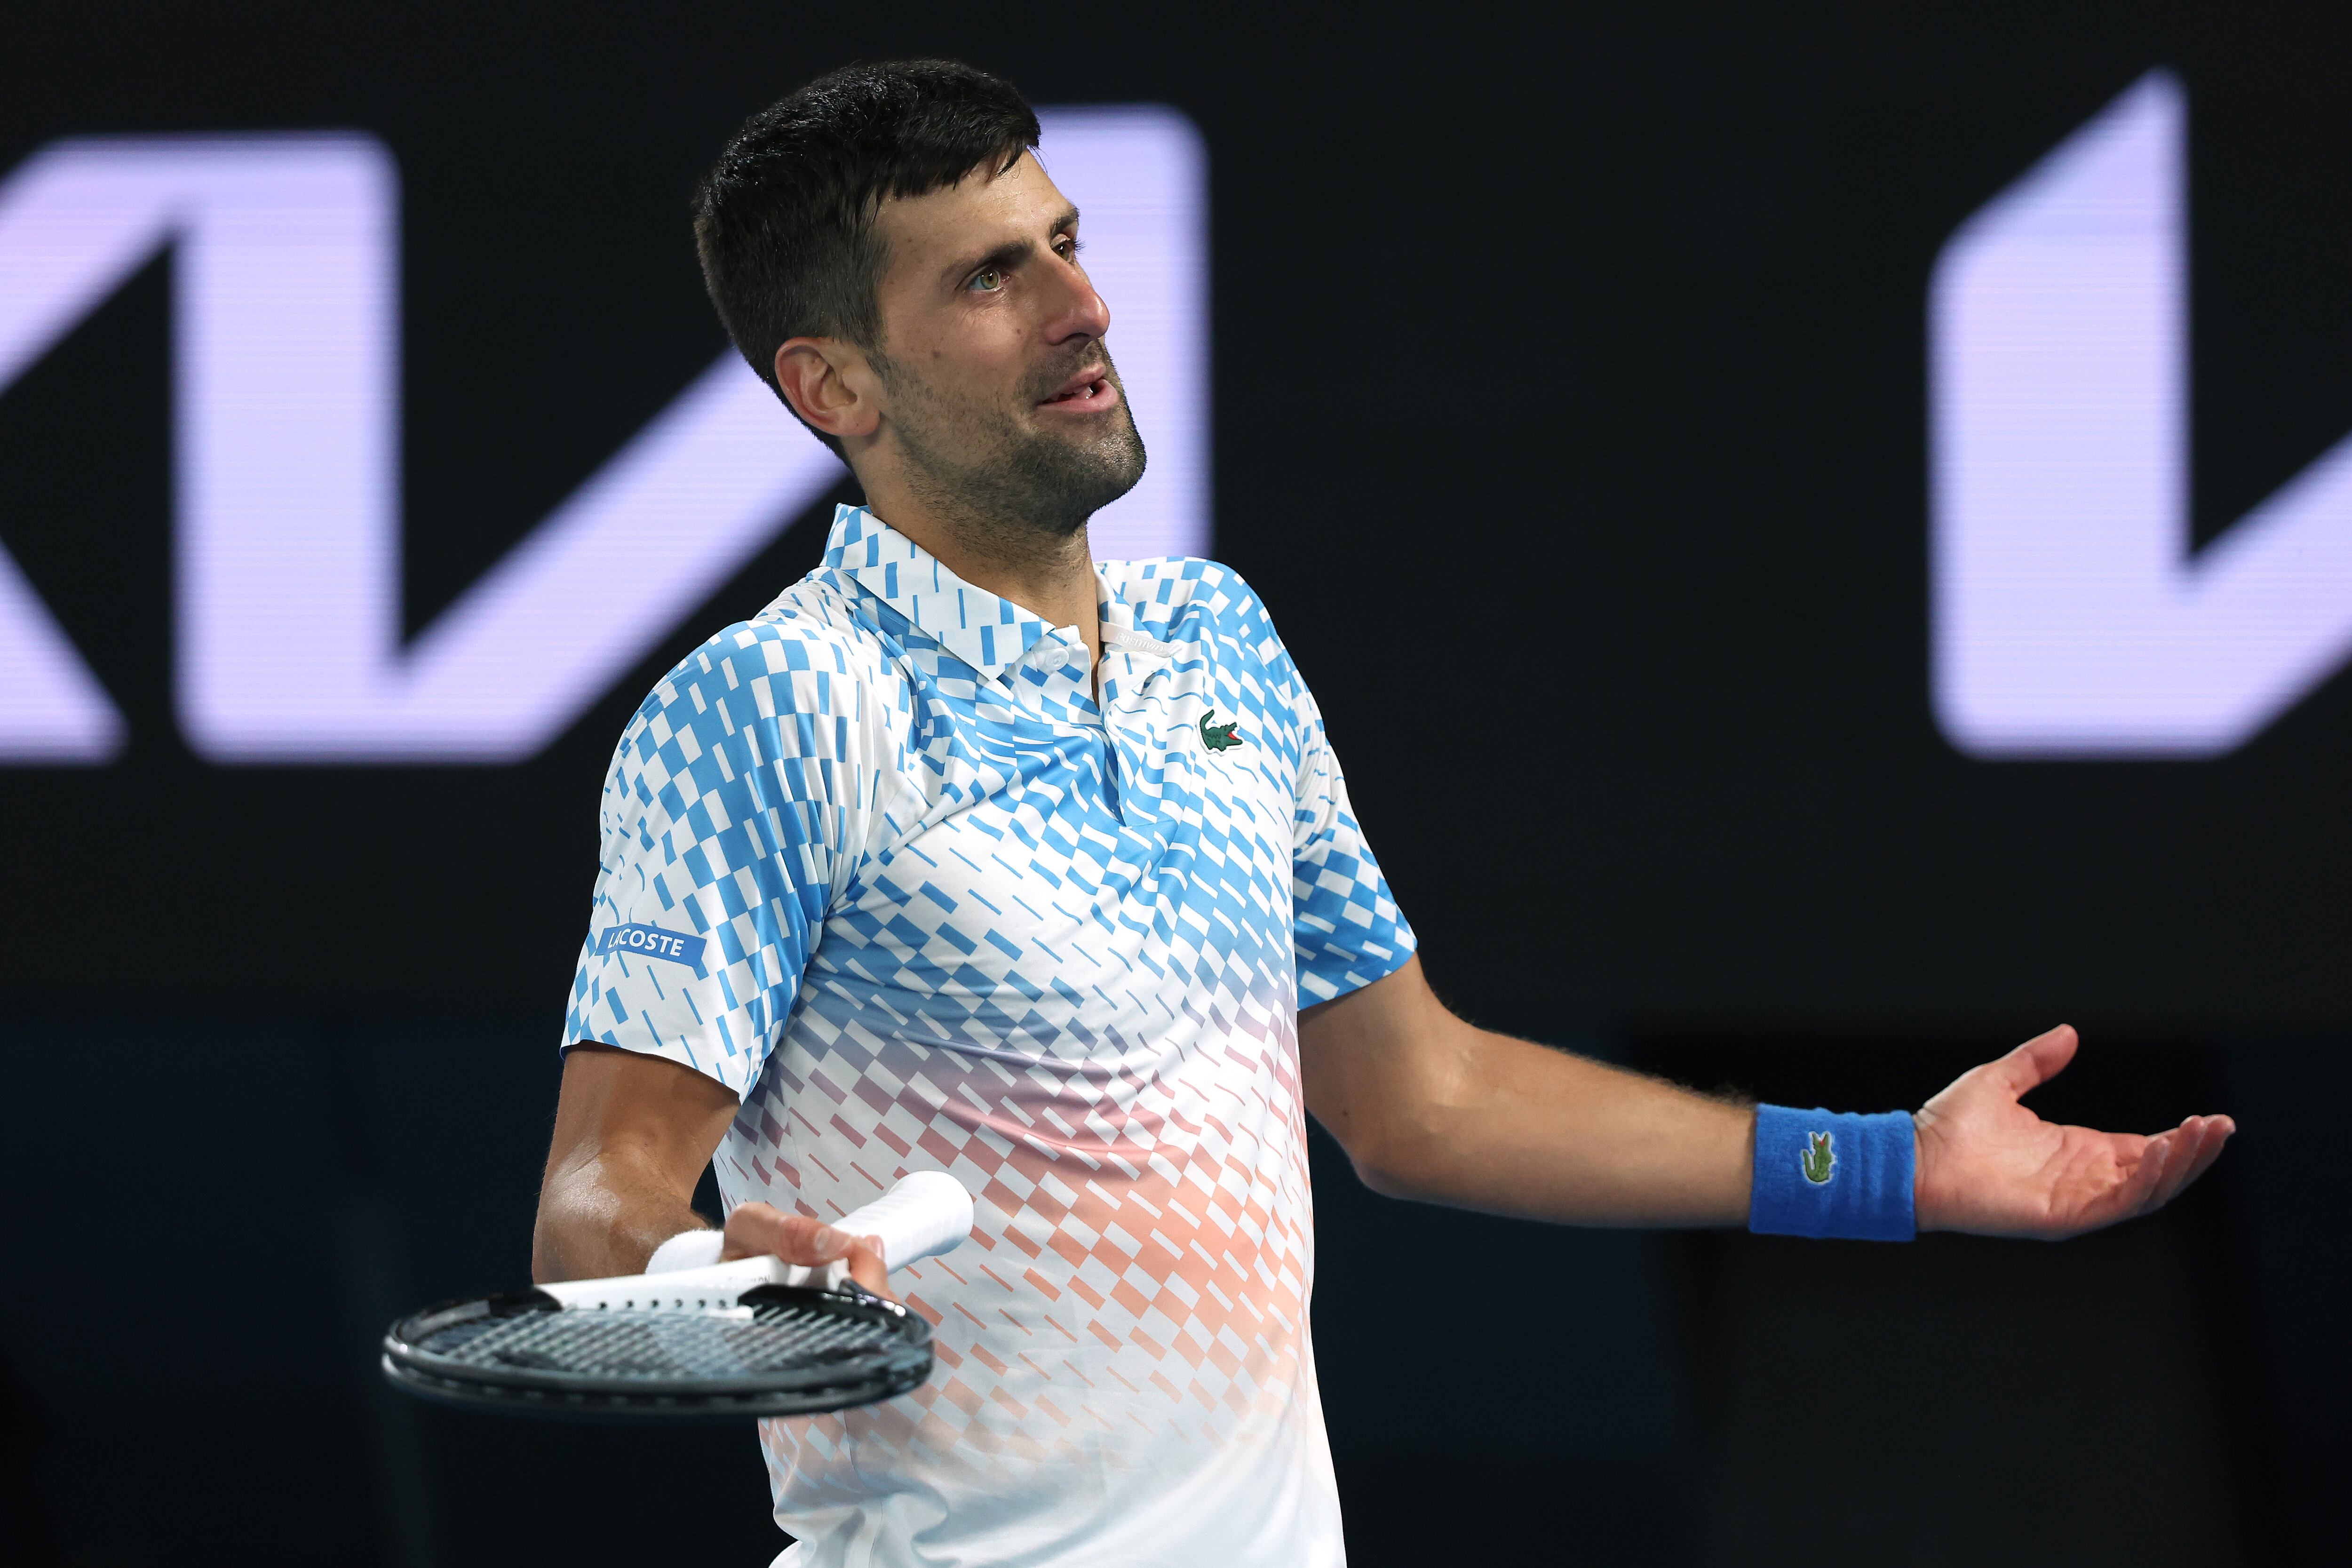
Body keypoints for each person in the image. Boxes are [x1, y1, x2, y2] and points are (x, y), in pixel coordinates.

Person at [531, 58, 2234, 1567]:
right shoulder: (769, 711)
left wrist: (1895, 1172)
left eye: (1066, 240)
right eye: (991, 276)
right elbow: (596, 1207)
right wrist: (718, 1275)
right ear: (836, 389)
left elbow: (1421, 1100)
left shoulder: (1223, 643)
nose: (1081, 306)